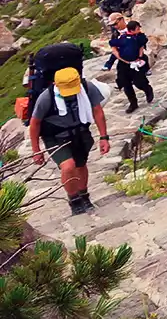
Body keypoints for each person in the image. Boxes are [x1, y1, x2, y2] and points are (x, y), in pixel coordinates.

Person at [29, 68, 110, 216]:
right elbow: (35, 123)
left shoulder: (87, 88)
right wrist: (36, 150)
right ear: (55, 84)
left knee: (80, 165)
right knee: (68, 166)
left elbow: (98, 111)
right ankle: (74, 199)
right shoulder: (46, 98)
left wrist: (104, 137)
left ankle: (84, 195)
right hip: (55, 136)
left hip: (79, 132)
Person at [109, 20, 153, 114]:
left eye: (116, 23)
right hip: (123, 63)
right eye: (113, 25)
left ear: (121, 20)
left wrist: (139, 57)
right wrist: (122, 59)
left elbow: (141, 45)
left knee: (139, 81)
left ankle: (147, 89)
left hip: (136, 60)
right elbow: (114, 49)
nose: (115, 26)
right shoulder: (116, 35)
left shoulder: (136, 31)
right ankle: (133, 103)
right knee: (126, 84)